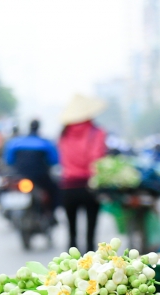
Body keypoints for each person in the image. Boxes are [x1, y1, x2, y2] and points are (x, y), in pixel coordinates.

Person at [58, 94, 108, 252]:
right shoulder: (96, 132)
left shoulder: (63, 133)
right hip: (89, 187)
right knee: (90, 235)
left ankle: (70, 271)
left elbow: (61, 158)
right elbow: (97, 159)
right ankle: (91, 268)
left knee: (71, 235)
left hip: (68, 187)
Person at [4, 119, 60, 222]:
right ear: (39, 127)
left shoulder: (16, 142)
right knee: (55, 190)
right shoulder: (45, 142)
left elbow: (9, 160)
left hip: (19, 176)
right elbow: (54, 160)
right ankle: (51, 214)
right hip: (40, 177)